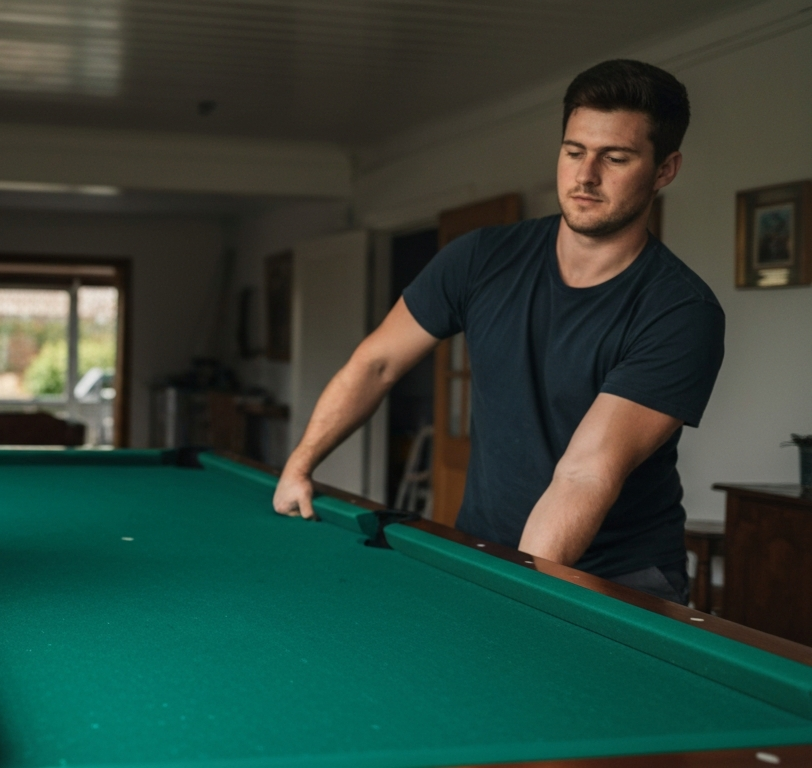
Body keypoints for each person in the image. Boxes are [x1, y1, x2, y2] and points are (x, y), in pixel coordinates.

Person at [273, 60, 723, 606]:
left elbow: (584, 473)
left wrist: (517, 589)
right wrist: (300, 465)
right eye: (573, 151)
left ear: (665, 169)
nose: (585, 176)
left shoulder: (679, 310)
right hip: (483, 548)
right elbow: (377, 363)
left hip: (618, 580)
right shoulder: (481, 258)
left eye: (616, 158)